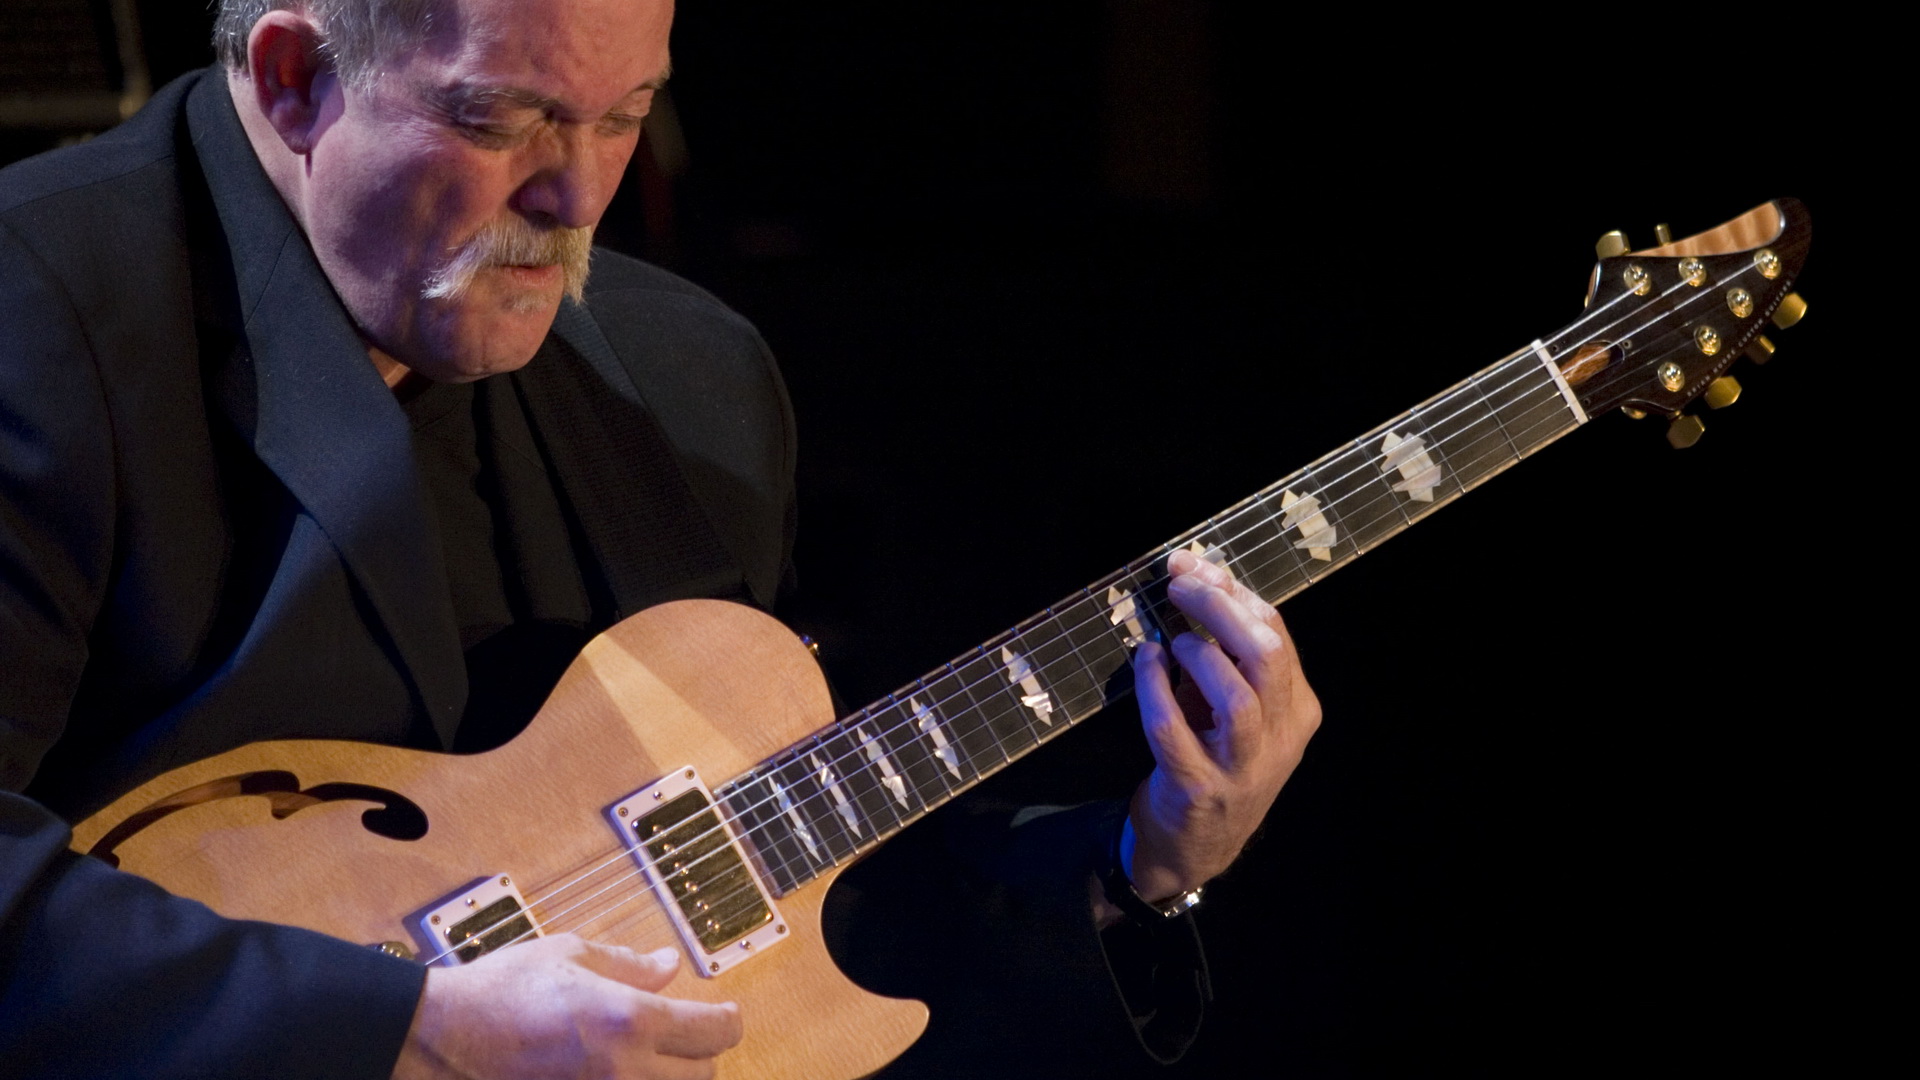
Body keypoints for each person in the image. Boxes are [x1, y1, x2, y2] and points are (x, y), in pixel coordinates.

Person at [0, 1, 1321, 1076]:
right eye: (503, 118)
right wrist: (409, 1027)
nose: (579, 196)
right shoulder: (39, 312)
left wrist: (1142, 862)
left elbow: (779, 917)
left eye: (625, 115)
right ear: (294, 77)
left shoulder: (693, 384)